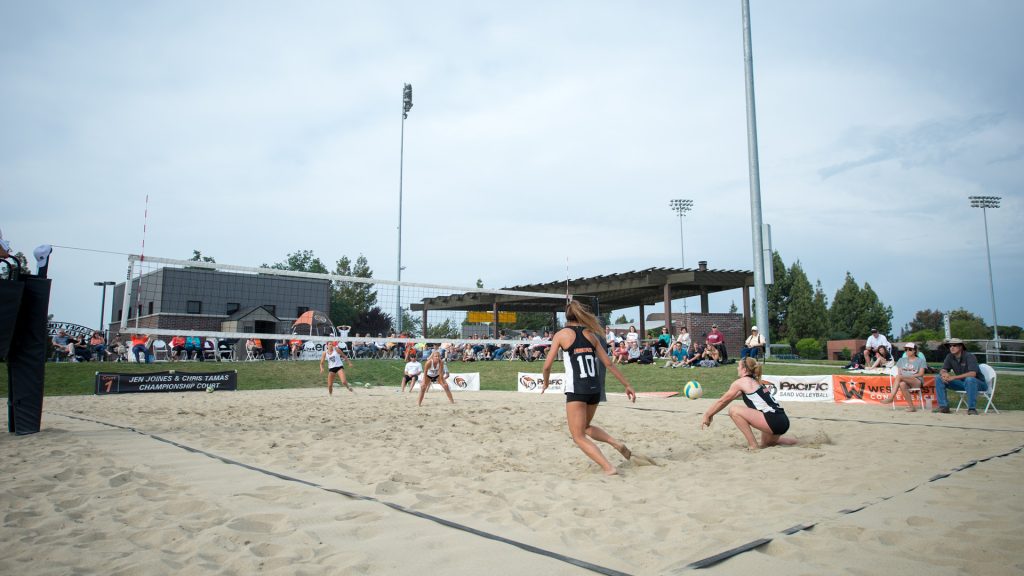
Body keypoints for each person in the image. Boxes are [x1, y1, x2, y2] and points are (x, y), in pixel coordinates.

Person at [541, 300, 636, 475]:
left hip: (577, 389)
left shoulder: (562, 335)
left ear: (566, 317)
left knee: (578, 436)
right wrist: (627, 385)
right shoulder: (591, 335)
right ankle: (616, 443)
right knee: (585, 427)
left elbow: (547, 366)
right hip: (595, 389)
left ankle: (608, 468)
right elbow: (609, 364)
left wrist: (546, 382)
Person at [701, 357, 797, 450]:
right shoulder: (756, 381)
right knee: (767, 444)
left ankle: (753, 445)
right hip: (782, 420)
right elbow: (727, 399)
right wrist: (711, 414)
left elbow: (722, 401)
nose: (737, 368)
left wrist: (707, 414)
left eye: (739, 366)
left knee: (734, 410)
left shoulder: (741, 382)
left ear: (744, 369)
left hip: (773, 420)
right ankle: (798, 442)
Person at [933, 337, 987, 415]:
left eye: (954, 345)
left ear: (960, 347)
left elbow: (973, 374)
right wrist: (944, 373)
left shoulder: (969, 356)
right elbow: (943, 369)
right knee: (938, 378)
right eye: (950, 346)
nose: (951, 348)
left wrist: (953, 377)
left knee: (969, 379)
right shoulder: (949, 356)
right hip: (963, 383)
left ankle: (972, 409)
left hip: (979, 384)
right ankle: (943, 406)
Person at [881, 342, 926, 412]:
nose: (907, 351)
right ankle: (911, 407)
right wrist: (906, 377)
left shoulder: (920, 360)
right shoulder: (901, 360)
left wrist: (911, 376)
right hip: (905, 379)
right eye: (906, 349)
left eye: (909, 349)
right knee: (902, 384)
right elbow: (900, 372)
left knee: (899, 377)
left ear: (914, 351)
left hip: (916, 380)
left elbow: (921, 374)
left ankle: (891, 397)